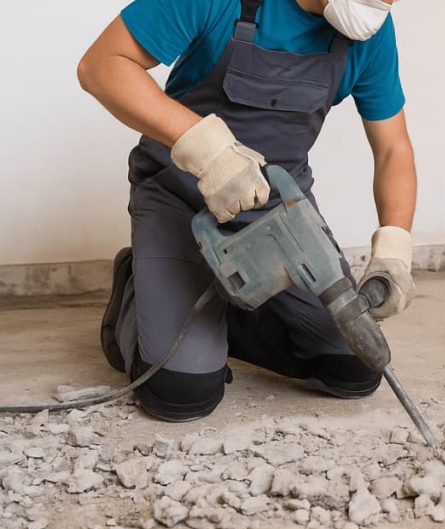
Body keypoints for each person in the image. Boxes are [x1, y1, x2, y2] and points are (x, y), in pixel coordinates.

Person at [77, 0, 417, 422]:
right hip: (182, 200)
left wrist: (395, 250)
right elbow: (101, 66)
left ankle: (227, 305)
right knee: (181, 391)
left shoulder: (369, 33)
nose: (387, 2)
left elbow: (393, 150)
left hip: (280, 214)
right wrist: (211, 153)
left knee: (356, 365)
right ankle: (137, 288)